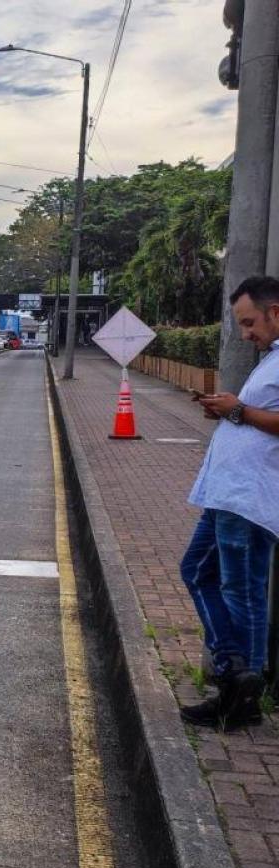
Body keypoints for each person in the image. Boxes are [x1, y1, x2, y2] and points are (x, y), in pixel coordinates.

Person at [180, 275, 279, 731]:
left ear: (275, 312)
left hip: (250, 499)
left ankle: (241, 693)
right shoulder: (271, 359)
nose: (246, 334)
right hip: (229, 495)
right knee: (197, 571)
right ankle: (235, 672)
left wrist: (236, 410)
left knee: (243, 591)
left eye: (250, 323)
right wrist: (228, 411)